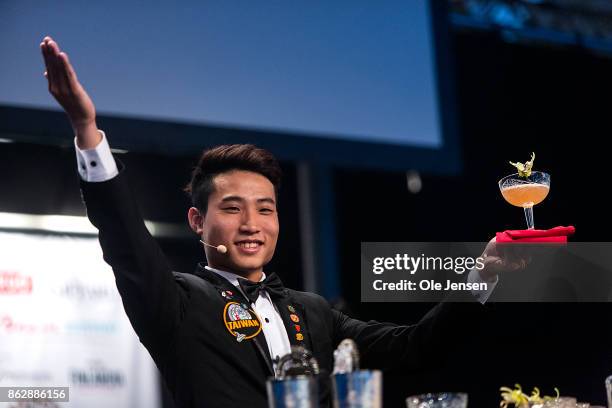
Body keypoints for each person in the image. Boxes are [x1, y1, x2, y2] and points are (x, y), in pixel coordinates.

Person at [40, 35, 513, 407]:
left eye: (265, 208)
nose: (252, 223)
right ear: (197, 222)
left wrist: (481, 277)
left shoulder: (314, 312)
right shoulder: (176, 303)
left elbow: (417, 346)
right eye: (232, 208)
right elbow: (125, 239)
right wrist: (87, 131)